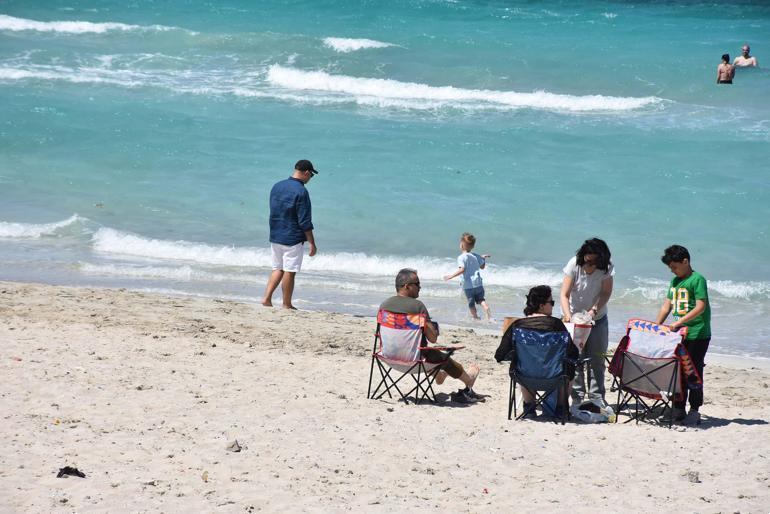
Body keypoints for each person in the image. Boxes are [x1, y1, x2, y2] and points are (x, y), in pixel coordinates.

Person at [381, 268, 482, 403]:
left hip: (388, 357)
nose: (420, 287)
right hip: (413, 361)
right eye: (417, 284)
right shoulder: (417, 306)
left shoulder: (384, 305)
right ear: (407, 286)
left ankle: (439, 375)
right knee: (442, 356)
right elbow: (432, 338)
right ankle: (469, 379)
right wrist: (434, 329)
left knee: (420, 348)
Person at [494, 285, 578, 417]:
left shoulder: (517, 325)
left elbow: (499, 355)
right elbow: (574, 353)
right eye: (551, 302)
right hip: (554, 378)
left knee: (524, 363)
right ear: (541, 305)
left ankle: (529, 408)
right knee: (569, 366)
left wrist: (518, 355)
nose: (553, 306)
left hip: (524, 377)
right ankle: (561, 409)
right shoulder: (556, 325)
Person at [655, 245, 711, 425]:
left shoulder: (697, 279)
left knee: (693, 371)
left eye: (674, 267)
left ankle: (694, 408)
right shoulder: (674, 282)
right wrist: (657, 325)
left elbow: (700, 306)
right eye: (670, 268)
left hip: (698, 334)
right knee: (677, 370)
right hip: (680, 335)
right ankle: (678, 408)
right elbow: (667, 305)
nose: (672, 271)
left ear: (685, 261)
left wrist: (679, 322)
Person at [559, 238, 614, 406]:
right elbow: (564, 294)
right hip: (574, 318)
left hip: (597, 319)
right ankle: (577, 396)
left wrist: (594, 310)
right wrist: (568, 316)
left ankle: (597, 397)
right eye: (587, 260)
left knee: (597, 358)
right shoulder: (574, 264)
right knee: (575, 359)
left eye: (594, 262)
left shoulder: (607, 267)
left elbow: (606, 292)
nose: (590, 265)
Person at [261, 159, 318, 309]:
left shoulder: (277, 186)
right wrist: (311, 242)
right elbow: (305, 220)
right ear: (306, 173)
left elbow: (274, 210)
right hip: (292, 237)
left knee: (277, 268)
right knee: (290, 271)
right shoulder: (301, 191)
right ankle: (286, 304)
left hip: (275, 233)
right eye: (311, 175)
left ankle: (266, 298)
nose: (310, 178)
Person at [443, 233, 492, 320]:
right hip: (478, 284)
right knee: (481, 299)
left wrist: (451, 276)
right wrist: (483, 259)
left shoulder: (461, 257)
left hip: (468, 285)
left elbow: (462, 269)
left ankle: (475, 317)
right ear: (472, 246)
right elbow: (482, 267)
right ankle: (486, 307)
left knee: (471, 303)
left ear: (462, 244)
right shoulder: (476, 256)